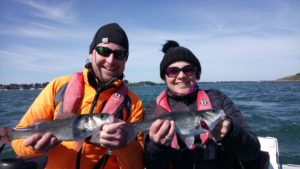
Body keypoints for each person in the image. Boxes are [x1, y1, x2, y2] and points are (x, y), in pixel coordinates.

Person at [11, 23, 144, 169]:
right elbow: (17, 144)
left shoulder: (134, 103)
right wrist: (35, 148)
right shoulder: (58, 87)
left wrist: (125, 144)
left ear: (125, 59)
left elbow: (136, 165)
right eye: (103, 51)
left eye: (119, 54)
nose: (111, 60)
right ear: (91, 53)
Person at [144, 40, 261, 169]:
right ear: (164, 77)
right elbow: (151, 165)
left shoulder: (219, 99)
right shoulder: (153, 109)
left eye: (188, 70)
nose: (181, 76)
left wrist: (231, 133)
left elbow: (253, 152)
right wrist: (156, 146)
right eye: (173, 71)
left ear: (196, 74)